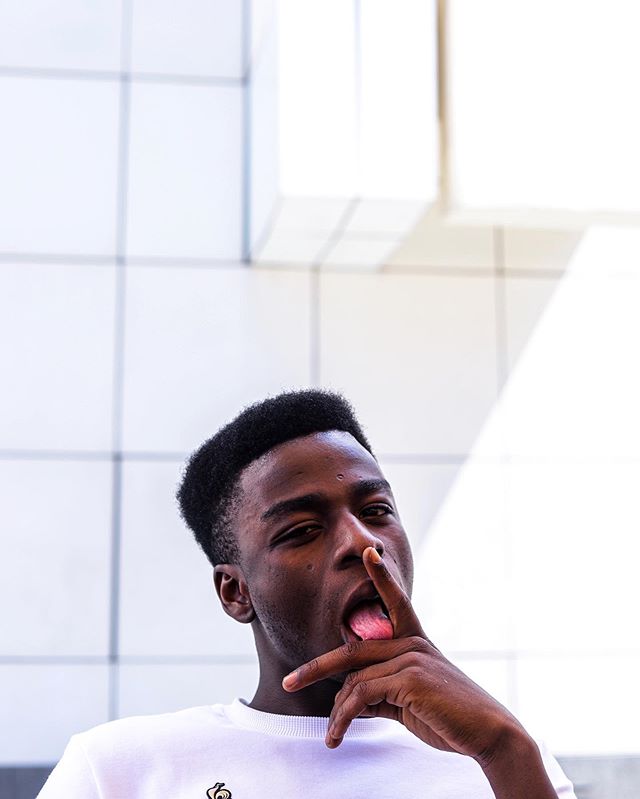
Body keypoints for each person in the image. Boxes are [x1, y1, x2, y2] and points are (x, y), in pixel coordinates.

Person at [39, 389, 576, 798]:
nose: (363, 543)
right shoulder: (117, 769)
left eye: (376, 512)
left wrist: (505, 750)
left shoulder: (502, 755)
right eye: (301, 530)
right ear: (235, 592)